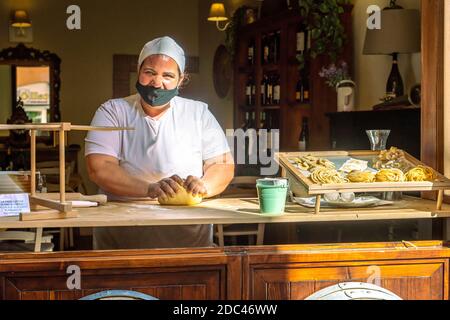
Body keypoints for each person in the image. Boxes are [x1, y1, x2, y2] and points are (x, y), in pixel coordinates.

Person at [85, 36, 235, 249]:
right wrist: (150, 189)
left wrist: (204, 185)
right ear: (139, 71)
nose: (157, 82)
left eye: (167, 75)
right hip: (122, 238)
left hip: (188, 239)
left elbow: (223, 165)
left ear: (181, 80)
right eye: (150, 73)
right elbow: (99, 168)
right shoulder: (112, 111)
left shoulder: (198, 113)